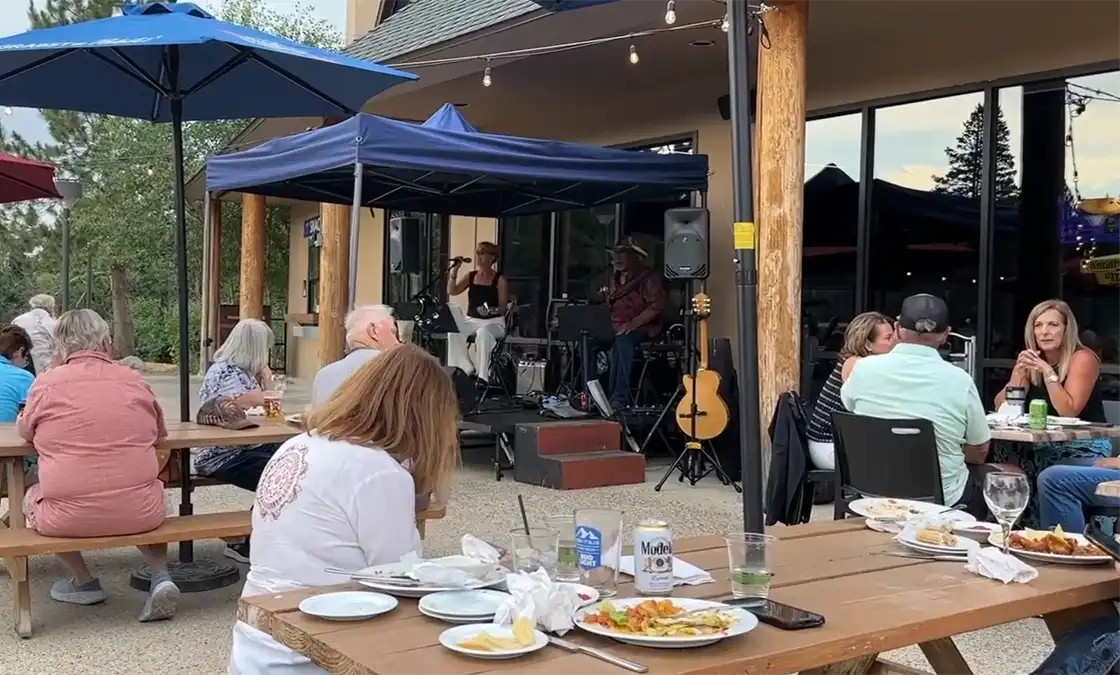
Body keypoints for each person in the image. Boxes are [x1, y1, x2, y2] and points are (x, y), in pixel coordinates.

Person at [227, 344, 458, 675]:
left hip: (256, 646)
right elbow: (402, 578)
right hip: (318, 653)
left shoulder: (299, 443)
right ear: (426, 418)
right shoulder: (378, 470)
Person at [16, 309, 178, 621]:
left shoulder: (47, 383)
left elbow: (26, 431)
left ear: (60, 345)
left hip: (66, 517)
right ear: (105, 341)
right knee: (146, 490)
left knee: (30, 494)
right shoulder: (134, 380)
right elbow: (159, 434)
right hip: (142, 513)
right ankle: (160, 575)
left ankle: (84, 582)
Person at [841, 294, 1015, 518]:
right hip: (941, 499)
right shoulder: (959, 380)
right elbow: (979, 450)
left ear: (897, 329)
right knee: (1012, 475)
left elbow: (850, 410)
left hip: (870, 495)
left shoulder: (862, 369)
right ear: (945, 334)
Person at [195, 318, 280, 563]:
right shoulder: (228, 372)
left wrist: (265, 385)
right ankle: (247, 542)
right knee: (281, 476)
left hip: (242, 448)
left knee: (293, 462)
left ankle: (251, 536)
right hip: (222, 455)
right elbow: (233, 408)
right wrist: (258, 396)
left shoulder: (240, 371)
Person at [805, 311, 894, 470]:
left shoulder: (858, 362)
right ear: (867, 344)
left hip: (836, 443)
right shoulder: (856, 365)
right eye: (888, 338)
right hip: (828, 447)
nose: (894, 343)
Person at [603, 237, 666, 406]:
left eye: (621, 254)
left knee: (623, 342)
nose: (616, 259)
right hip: (614, 326)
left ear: (635, 256)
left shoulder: (649, 277)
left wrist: (632, 324)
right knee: (585, 341)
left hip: (642, 329)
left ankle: (620, 399)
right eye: (614, 255)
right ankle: (590, 396)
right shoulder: (612, 278)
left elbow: (657, 306)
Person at [310, 304, 399, 407]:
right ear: (373, 331)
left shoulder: (323, 376)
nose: (397, 342)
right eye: (393, 332)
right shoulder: (398, 370)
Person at [446, 241, 508, 383]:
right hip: (472, 320)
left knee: (483, 334)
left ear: (492, 258)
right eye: (478, 252)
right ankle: (465, 368)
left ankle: (483, 377)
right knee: (453, 331)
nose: (478, 256)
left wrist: (490, 310)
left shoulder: (500, 280)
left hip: (494, 322)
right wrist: (454, 271)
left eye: (482, 252)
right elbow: (452, 291)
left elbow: (503, 308)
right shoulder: (471, 276)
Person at [12, 293, 57, 375]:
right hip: (45, 368)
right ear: (50, 308)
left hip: (19, 363)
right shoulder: (52, 323)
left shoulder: (18, 320)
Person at [0, 325, 34, 422]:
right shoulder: (23, 377)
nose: (26, 360)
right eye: (26, 356)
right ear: (20, 351)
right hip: (6, 435)